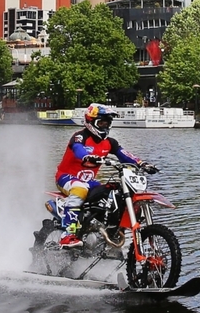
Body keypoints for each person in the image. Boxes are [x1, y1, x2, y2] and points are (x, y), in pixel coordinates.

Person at [53, 103, 156, 249]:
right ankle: (67, 235)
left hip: (89, 181)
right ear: (90, 122)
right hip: (65, 177)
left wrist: (142, 163)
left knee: (112, 194)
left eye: (107, 123)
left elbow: (125, 155)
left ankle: (106, 231)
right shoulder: (79, 137)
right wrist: (87, 156)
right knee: (80, 190)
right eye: (101, 122)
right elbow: (78, 149)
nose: (104, 126)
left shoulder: (109, 143)